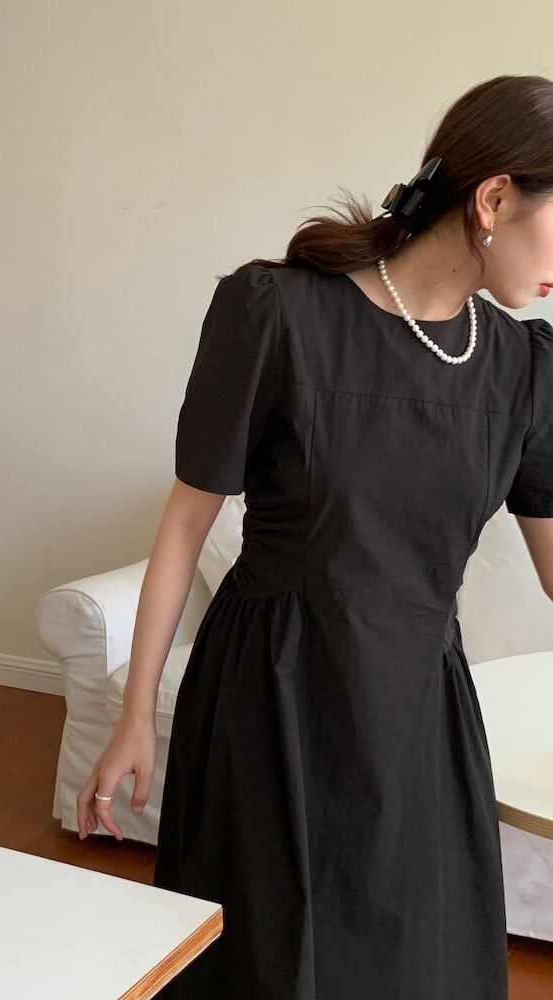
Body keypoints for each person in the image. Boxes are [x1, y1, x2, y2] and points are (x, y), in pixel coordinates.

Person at [76, 73, 553, 999]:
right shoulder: (278, 313)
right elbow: (186, 523)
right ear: (495, 199)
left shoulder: (524, 369)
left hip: (418, 707)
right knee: (267, 957)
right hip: (273, 695)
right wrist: (135, 717)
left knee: (423, 962)